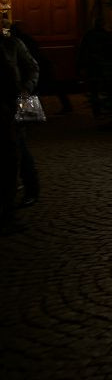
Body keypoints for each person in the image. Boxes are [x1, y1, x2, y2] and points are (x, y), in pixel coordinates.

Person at [0, 20, 39, 233]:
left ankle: (27, 191)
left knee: (17, 152)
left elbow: (32, 68)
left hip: (11, 107)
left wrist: (25, 90)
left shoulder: (12, 45)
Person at [11, 21, 70, 114]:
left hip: (38, 65)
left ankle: (35, 111)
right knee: (53, 86)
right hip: (41, 64)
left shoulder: (19, 41)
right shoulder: (27, 39)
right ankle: (66, 105)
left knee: (36, 88)